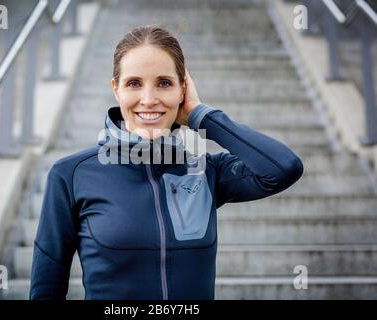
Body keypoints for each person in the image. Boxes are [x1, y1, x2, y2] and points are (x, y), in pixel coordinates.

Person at [29, 25, 304, 300]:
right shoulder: (71, 175)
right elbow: (46, 290)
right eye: (134, 83)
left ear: (183, 89)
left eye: (164, 83)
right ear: (116, 89)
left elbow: (283, 168)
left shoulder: (206, 171)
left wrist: (201, 116)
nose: (149, 100)